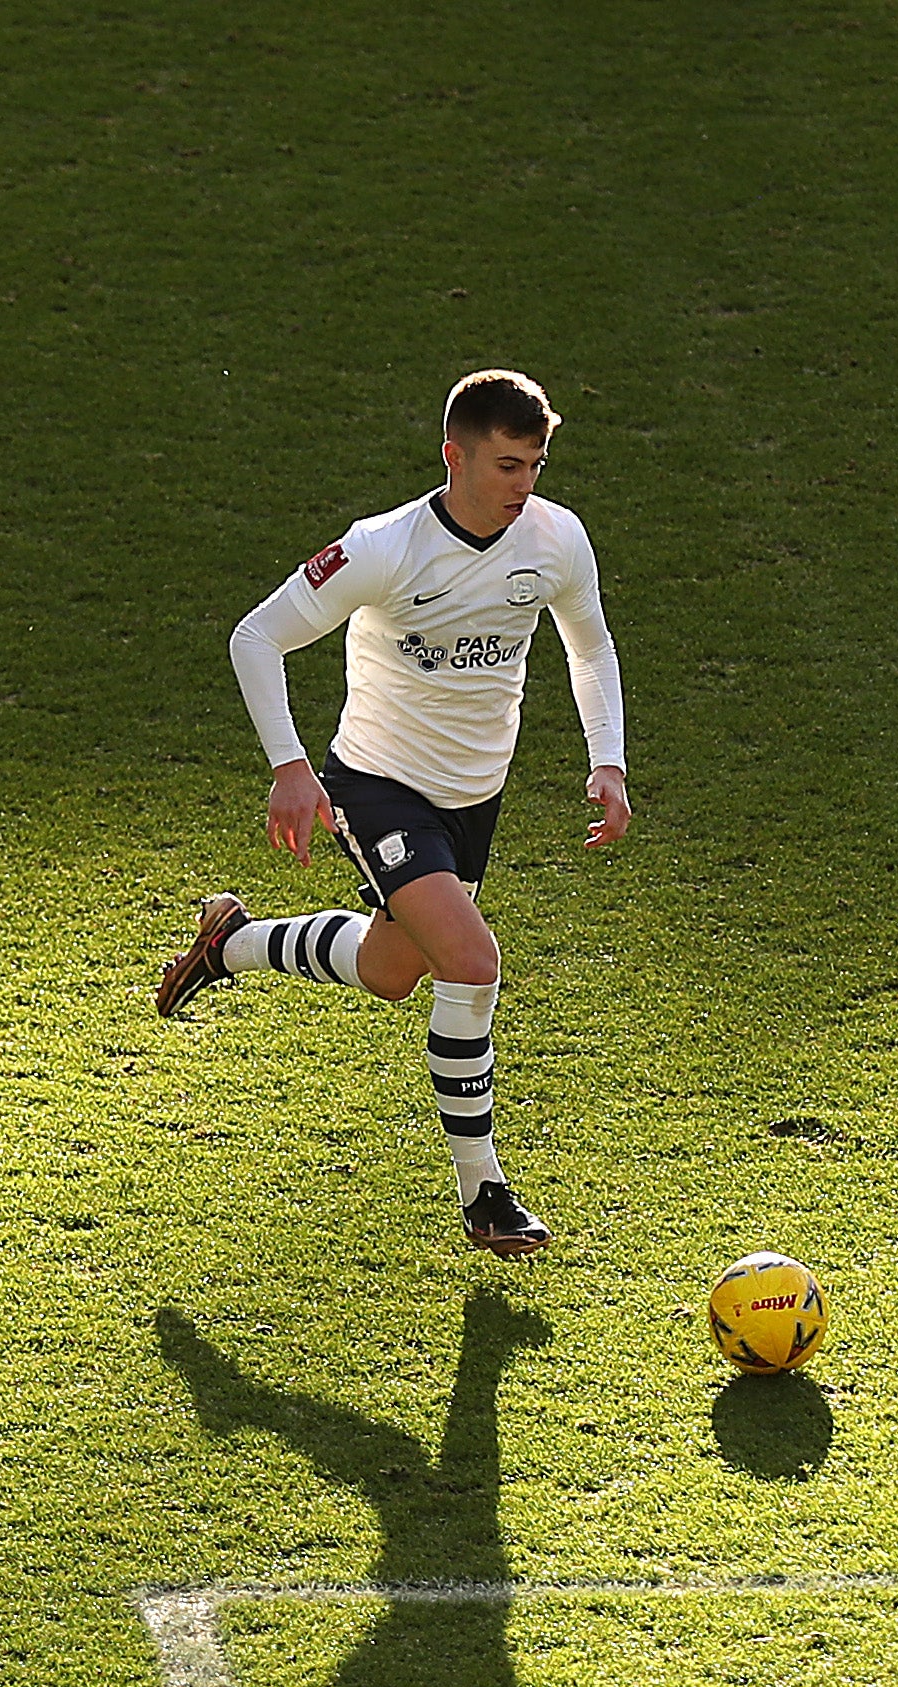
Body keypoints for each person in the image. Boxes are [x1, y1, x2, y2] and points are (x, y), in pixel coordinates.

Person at [156, 369, 632, 1255]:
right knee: (472, 959)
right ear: (453, 456)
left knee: (390, 970)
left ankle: (230, 943)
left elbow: (590, 646)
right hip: (376, 784)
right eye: (504, 466)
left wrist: (608, 760)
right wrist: (291, 769)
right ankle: (483, 1191)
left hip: (473, 799)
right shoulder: (383, 549)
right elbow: (254, 637)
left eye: (534, 465)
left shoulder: (556, 540)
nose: (523, 486)